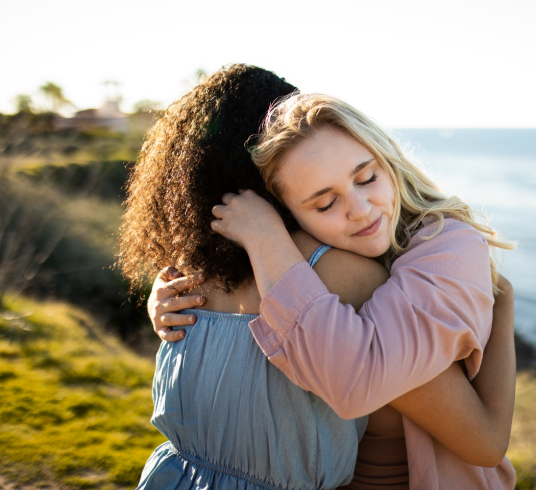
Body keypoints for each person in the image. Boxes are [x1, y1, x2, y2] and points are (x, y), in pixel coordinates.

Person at [122, 65, 516, 489]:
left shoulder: (198, 273)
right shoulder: (342, 277)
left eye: (367, 177)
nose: (361, 209)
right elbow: (485, 441)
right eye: (324, 203)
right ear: (276, 198)